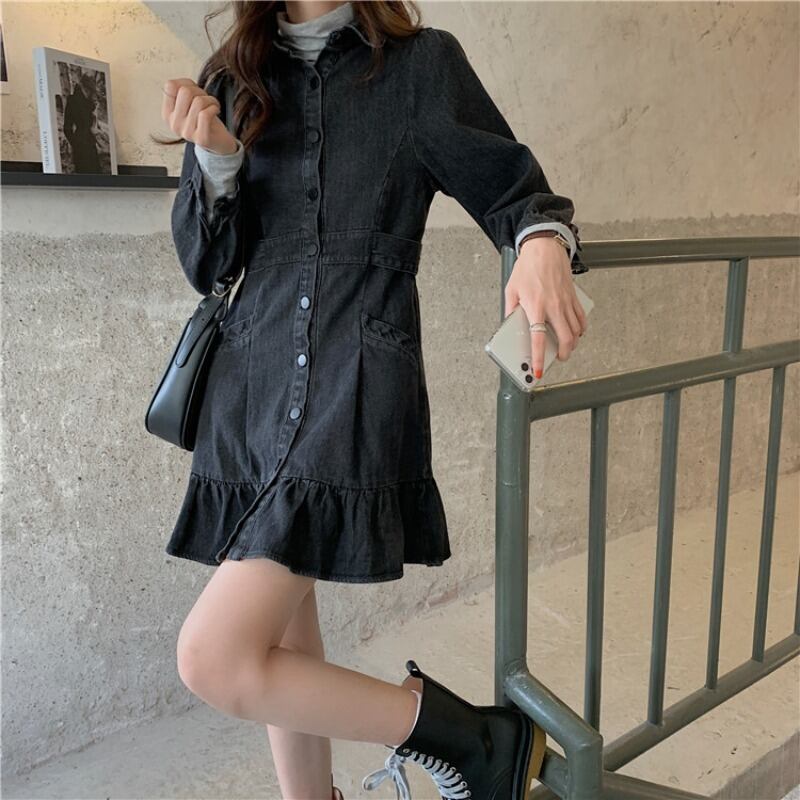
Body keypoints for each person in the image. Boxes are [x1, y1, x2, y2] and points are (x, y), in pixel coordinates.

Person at [159, 2, 589, 798]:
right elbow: (207, 267)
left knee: (213, 657)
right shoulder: (234, 76)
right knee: (282, 642)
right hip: (249, 394)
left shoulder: (421, 65)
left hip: (352, 387)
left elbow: (513, 190)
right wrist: (216, 159)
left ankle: (478, 744)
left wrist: (539, 240)